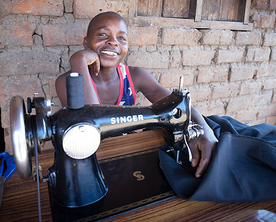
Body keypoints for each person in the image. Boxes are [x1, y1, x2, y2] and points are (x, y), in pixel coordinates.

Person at [55, 11, 218, 178]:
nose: (112, 41)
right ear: (86, 42)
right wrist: (79, 61)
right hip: (87, 163)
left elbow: (176, 105)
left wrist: (206, 131)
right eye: (103, 35)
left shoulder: (135, 76)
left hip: (128, 153)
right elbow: (89, 123)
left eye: (121, 38)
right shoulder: (65, 82)